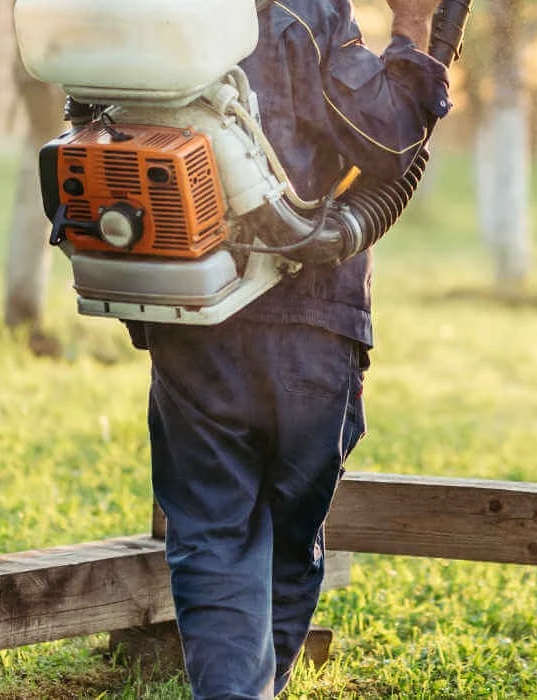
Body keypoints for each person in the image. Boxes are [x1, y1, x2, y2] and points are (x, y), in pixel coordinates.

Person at [132, 0, 451, 696]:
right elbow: (392, 142)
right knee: (285, 532)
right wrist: (418, 29)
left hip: (191, 309)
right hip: (306, 320)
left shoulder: (155, 15)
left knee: (212, 535)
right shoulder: (301, 14)